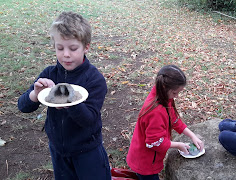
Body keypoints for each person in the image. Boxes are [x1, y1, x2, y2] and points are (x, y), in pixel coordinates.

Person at [18, 11, 111, 180]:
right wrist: (35, 93)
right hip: (58, 150)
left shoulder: (94, 79)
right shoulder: (49, 74)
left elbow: (88, 119)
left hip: (88, 151)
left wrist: (70, 102)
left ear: (86, 47)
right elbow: (22, 106)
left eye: (73, 48)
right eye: (59, 48)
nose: (66, 54)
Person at [126, 65, 204, 180]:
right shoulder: (155, 112)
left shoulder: (163, 97)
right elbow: (154, 142)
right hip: (145, 162)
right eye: (174, 93)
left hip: (149, 159)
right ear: (164, 86)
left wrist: (192, 135)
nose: (176, 96)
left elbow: (174, 120)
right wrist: (178, 145)